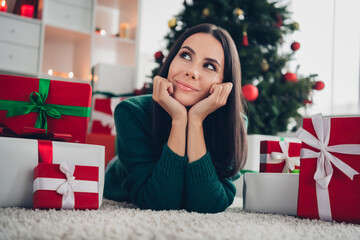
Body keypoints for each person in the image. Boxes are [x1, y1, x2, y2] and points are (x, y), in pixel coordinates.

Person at [104, 23, 248, 213]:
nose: (192, 72)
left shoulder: (234, 124)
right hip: (119, 181)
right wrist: (179, 120)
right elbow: (158, 202)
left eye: (209, 66)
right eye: (186, 55)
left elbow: (209, 204)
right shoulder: (131, 112)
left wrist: (195, 120)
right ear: (171, 60)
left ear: (224, 83)